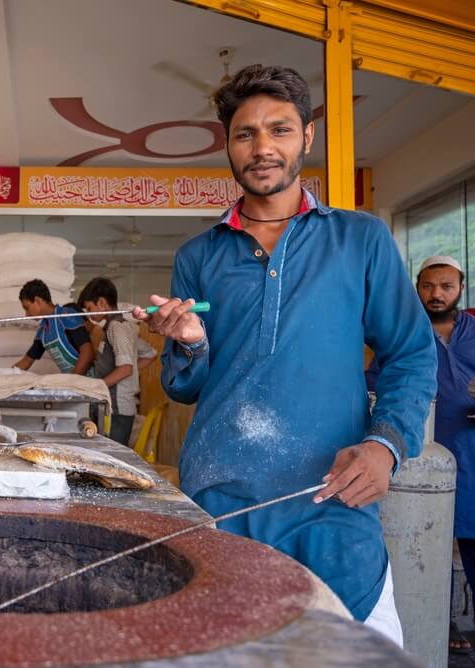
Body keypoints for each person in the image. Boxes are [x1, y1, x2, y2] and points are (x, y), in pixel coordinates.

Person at [134, 64, 437, 645]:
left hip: (331, 502)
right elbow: (185, 388)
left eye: (279, 129)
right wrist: (190, 345)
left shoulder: (359, 239)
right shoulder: (199, 254)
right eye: (245, 133)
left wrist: (386, 445)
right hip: (219, 504)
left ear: (308, 137)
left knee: (353, 652)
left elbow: (411, 355)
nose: (263, 147)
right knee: (227, 653)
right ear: (226, 144)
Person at [366, 255, 475, 653]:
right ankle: (439, 625)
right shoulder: (403, 336)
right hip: (419, 456)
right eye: (428, 286)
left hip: (471, 452)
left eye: (445, 286)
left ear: (460, 288)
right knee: (426, 543)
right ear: (417, 288)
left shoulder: (474, 331)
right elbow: (378, 385)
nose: (436, 294)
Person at [77, 277, 155, 446]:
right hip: (117, 406)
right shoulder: (122, 327)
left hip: (118, 409)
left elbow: (126, 368)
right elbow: (149, 354)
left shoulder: (116, 327)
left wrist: (98, 386)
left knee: (112, 457)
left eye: (90, 308)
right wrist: (131, 373)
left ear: (102, 303)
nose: (89, 314)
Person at [13, 279, 94, 375]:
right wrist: (6, 375)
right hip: (72, 382)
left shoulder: (66, 315)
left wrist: (72, 381)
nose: (26, 314)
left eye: (27, 308)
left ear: (38, 301)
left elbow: (88, 353)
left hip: (89, 380)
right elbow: (27, 360)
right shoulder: (43, 332)